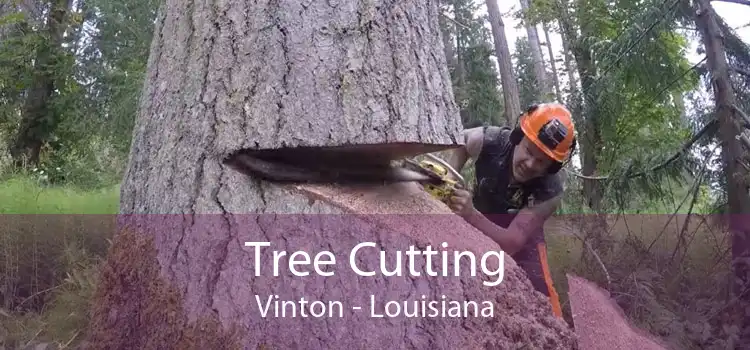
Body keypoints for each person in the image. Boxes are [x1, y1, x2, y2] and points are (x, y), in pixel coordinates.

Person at [444, 102, 577, 319]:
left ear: (551, 167)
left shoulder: (550, 191)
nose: (531, 164)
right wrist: (450, 178)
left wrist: (469, 214)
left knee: (543, 298)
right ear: (517, 137)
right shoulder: (491, 140)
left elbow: (512, 242)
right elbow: (462, 141)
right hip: (479, 220)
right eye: (528, 151)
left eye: (541, 162)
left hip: (523, 239)